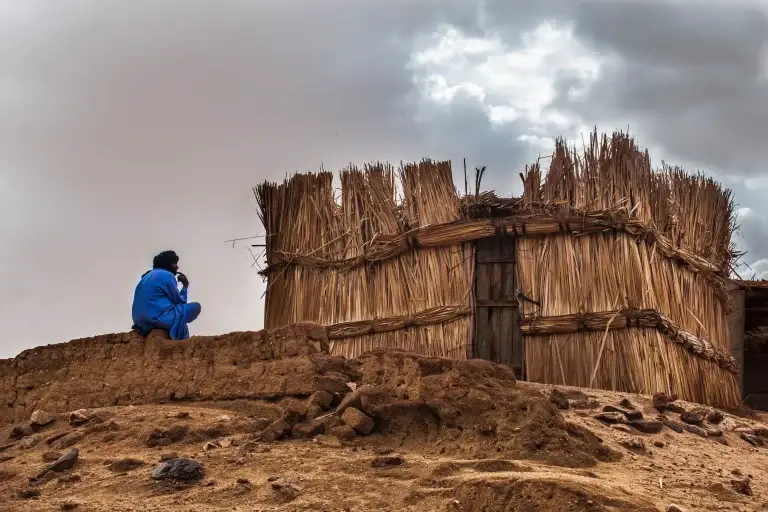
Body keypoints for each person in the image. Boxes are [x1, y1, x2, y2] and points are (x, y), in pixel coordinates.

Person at [131, 250, 201, 340]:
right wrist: (185, 286)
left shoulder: (145, 277)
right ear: (168, 264)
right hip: (157, 318)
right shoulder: (167, 275)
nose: (177, 267)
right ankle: (181, 347)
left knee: (181, 321)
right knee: (195, 307)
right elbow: (180, 301)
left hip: (139, 321)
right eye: (174, 263)